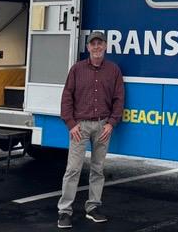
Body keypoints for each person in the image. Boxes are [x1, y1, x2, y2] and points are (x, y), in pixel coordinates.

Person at [57, 31, 124, 229]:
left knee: (98, 169)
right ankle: (64, 211)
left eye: (100, 43)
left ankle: (93, 207)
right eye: (93, 44)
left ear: (105, 46)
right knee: (73, 169)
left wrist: (111, 123)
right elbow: (67, 97)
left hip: (103, 126)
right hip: (80, 126)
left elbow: (119, 99)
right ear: (88, 47)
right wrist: (71, 123)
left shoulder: (113, 70)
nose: (96, 47)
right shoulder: (77, 70)